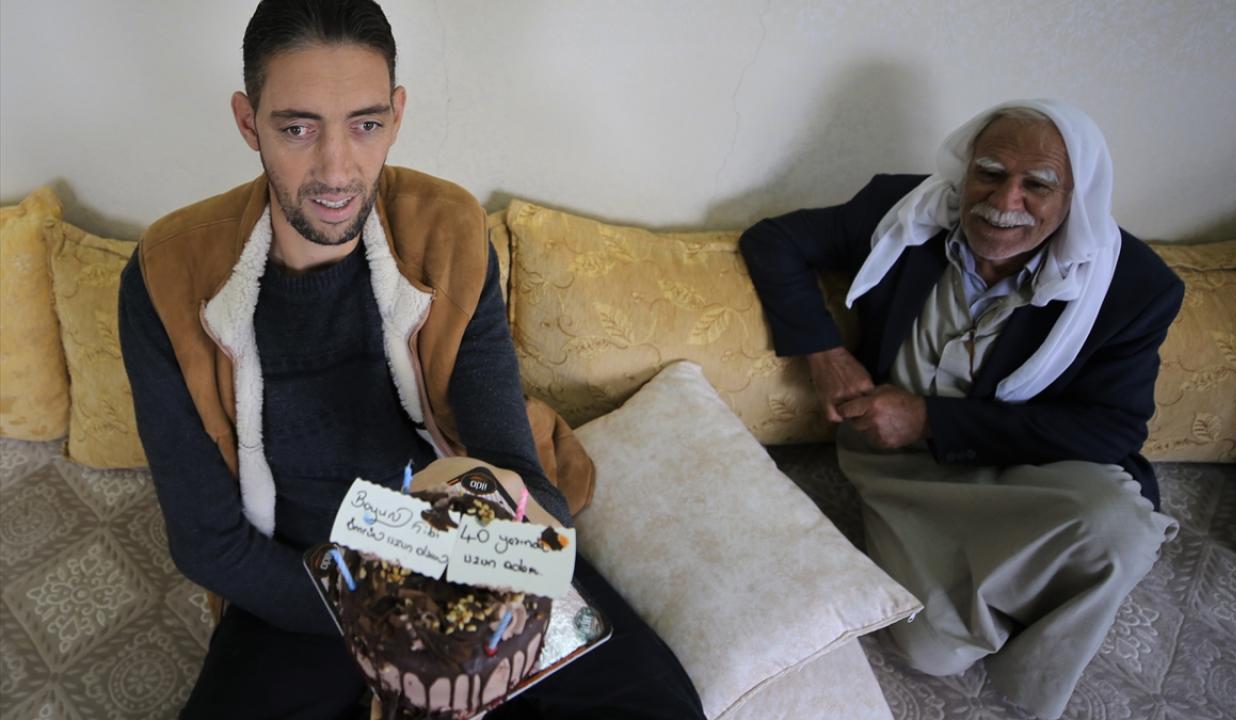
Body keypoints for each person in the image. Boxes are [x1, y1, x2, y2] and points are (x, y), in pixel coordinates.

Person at [118, 1, 704, 718]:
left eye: (365, 125)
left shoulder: (448, 230)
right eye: (298, 128)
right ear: (249, 123)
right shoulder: (166, 274)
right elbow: (209, 546)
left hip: (462, 559)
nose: (337, 170)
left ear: (396, 116)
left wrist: (487, 579)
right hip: (300, 582)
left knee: (658, 708)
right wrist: (388, 630)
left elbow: (513, 467)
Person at [740, 100, 1182, 720]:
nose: (1004, 200)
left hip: (1033, 470)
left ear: (1074, 198)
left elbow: (1113, 427)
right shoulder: (903, 210)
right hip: (902, 466)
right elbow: (772, 241)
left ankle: (1029, 666)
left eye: (1037, 185)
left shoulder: (1135, 286)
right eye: (990, 172)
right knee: (931, 650)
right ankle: (1015, 580)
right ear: (966, 169)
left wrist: (930, 418)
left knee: (1116, 528)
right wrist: (826, 354)